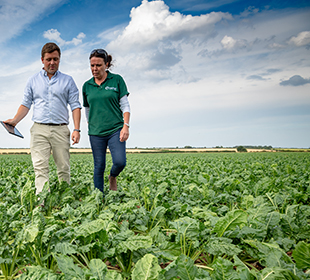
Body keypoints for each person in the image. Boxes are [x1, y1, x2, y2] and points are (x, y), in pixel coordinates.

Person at [5, 42, 81, 195]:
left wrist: (76, 129)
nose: (52, 63)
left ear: (59, 59)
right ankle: (42, 200)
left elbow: (75, 106)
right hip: (39, 129)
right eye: (48, 59)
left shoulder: (68, 80)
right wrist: (14, 121)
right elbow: (25, 104)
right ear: (42, 60)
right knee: (40, 166)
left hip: (61, 129)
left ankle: (64, 198)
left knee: (63, 166)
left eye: (55, 59)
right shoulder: (33, 80)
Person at [83, 49, 130, 196]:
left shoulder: (117, 80)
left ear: (106, 64)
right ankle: (99, 199)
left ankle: (112, 176)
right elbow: (87, 109)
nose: (94, 69)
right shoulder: (87, 86)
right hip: (96, 132)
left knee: (120, 162)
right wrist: (89, 125)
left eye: (98, 65)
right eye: (92, 65)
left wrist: (126, 126)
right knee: (99, 166)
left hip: (116, 129)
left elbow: (125, 105)